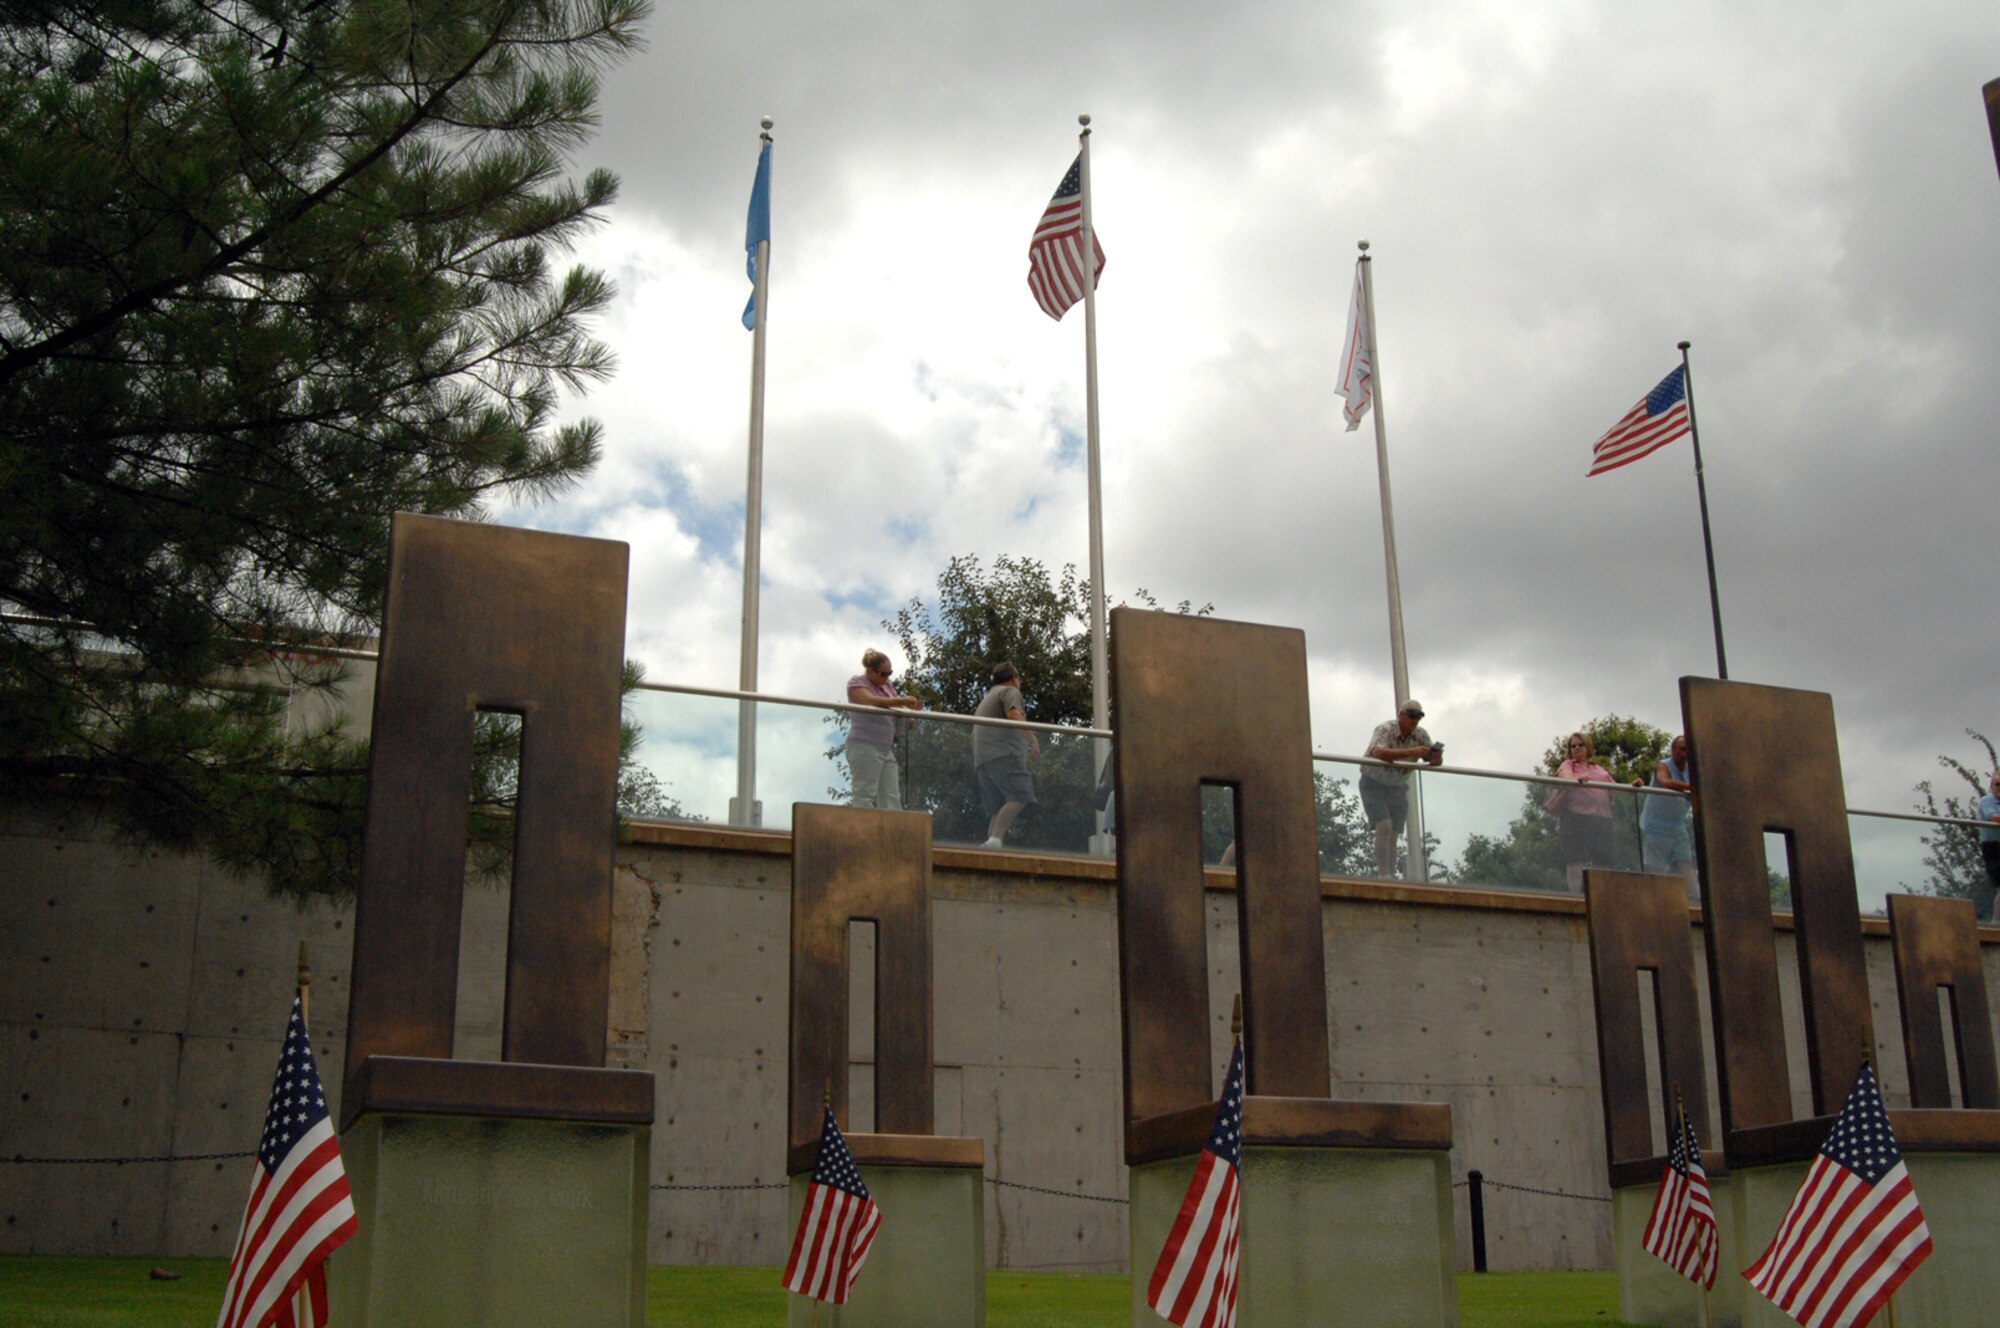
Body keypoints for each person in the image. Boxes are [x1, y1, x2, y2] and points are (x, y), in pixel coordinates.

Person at [1361, 700, 1443, 879]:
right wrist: (1410, 752)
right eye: (1412, 715)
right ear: (1401, 715)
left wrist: (1436, 758)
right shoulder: (1385, 729)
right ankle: (1384, 875)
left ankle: (1390, 874)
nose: (1416, 720)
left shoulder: (1421, 734)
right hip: (1373, 782)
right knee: (1384, 826)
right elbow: (1378, 753)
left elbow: (1432, 760)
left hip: (1397, 786)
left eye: (1419, 716)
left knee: (1394, 832)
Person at [844, 649, 922, 810]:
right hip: (864, 745)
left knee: (891, 797)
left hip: (885, 748)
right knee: (864, 794)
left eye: (889, 673)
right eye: (883, 674)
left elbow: (898, 707)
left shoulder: (887, 686)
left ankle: (892, 833)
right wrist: (901, 701)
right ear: (870, 670)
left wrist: (910, 715)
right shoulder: (857, 683)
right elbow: (869, 700)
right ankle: (862, 832)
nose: (886, 678)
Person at [972, 662, 1038, 849]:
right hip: (1004, 754)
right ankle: (995, 842)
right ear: (1014, 678)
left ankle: (991, 844)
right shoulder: (1010, 691)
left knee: (997, 807)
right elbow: (1013, 714)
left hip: (983, 759)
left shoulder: (989, 697)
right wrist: (1033, 740)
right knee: (1021, 795)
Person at [1545, 732, 1615, 891]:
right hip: (1576, 817)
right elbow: (1566, 776)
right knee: (1575, 859)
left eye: (1580, 744)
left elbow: (1616, 790)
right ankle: (1576, 897)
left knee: (1603, 860)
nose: (1577, 748)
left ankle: (1600, 896)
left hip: (1602, 818)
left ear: (1588, 746)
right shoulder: (1569, 765)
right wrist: (1576, 781)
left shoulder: (1599, 770)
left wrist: (1635, 787)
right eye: (1573, 746)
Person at [1639, 734, 1697, 897]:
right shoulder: (1664, 765)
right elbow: (1664, 781)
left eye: (1688, 750)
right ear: (1673, 750)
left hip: (1676, 826)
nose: (1686, 753)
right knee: (1656, 866)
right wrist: (1691, 787)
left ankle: (1698, 899)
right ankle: (1657, 897)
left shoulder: (1690, 769)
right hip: (1656, 826)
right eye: (1682, 749)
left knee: (1684, 862)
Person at [1977, 770, 2000, 923]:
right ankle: (1996, 923)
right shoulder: (1987, 801)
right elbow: (1995, 818)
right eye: (1997, 784)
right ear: (1991, 786)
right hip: (1993, 847)